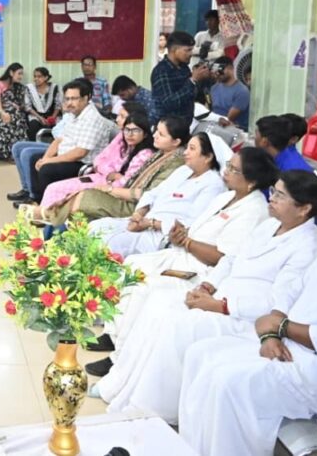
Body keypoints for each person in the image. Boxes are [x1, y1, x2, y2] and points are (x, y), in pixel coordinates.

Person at [179, 191, 317, 456]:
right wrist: (270, 334)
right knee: (200, 354)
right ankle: (194, 449)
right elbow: (292, 290)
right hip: (286, 345)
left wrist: (279, 327)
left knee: (228, 382)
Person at [89, 171, 317, 409]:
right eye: (273, 192)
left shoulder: (309, 247)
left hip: (245, 318)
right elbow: (231, 259)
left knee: (177, 324)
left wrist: (221, 306)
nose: (272, 198)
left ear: (304, 208)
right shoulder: (269, 226)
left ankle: (147, 405)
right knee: (157, 303)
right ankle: (120, 382)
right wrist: (206, 286)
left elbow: (279, 303)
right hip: (219, 295)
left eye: (280, 195)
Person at [86, 148, 278, 356]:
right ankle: (112, 332)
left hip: (203, 271)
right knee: (132, 264)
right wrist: (182, 233)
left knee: (144, 285)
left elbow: (224, 257)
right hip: (184, 254)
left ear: (251, 182)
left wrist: (187, 242)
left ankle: (122, 349)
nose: (226, 171)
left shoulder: (253, 210)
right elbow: (200, 230)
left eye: (233, 169)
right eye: (228, 165)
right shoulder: (228, 196)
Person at [86, 132, 229, 258]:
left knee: (112, 243)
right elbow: (152, 194)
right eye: (187, 147)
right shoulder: (183, 171)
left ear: (208, 157)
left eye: (192, 149)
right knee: (95, 227)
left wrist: (151, 223)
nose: (185, 152)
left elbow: (191, 223)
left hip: (163, 235)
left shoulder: (213, 184)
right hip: (144, 221)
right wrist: (138, 215)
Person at [41, 116, 190, 227]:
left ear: (176, 142)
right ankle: (51, 221)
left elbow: (147, 195)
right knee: (81, 195)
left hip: (137, 207)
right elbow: (101, 160)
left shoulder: (175, 164)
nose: (155, 135)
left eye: (161, 134)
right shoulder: (161, 154)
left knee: (85, 199)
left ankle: (49, 217)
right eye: (156, 131)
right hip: (124, 193)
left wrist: (110, 189)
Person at [29, 106, 154, 224]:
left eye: (135, 130)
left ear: (145, 134)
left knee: (67, 193)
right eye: (127, 130)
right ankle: (45, 218)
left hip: (112, 189)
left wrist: (112, 178)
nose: (129, 134)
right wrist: (111, 173)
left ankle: (48, 219)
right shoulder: (121, 138)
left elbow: (127, 182)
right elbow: (98, 161)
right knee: (53, 188)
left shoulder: (144, 155)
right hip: (100, 177)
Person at [25, 79, 117, 203]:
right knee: (34, 159)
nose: (69, 103)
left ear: (86, 97)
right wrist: (45, 159)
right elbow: (59, 140)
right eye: (67, 99)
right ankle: (38, 200)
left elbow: (80, 152)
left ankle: (48, 206)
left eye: (74, 99)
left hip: (82, 164)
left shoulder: (92, 119)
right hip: (67, 156)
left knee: (47, 170)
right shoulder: (75, 115)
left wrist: (48, 161)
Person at [152, 31, 209, 121]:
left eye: (191, 50)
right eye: (187, 50)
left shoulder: (184, 68)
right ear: (175, 50)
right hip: (169, 125)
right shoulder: (161, 71)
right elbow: (168, 103)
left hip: (186, 123)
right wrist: (193, 80)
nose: (191, 54)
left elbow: (193, 96)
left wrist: (202, 78)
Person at [0, 63, 28, 160]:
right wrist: (2, 113)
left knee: (18, 119)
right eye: (19, 73)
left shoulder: (19, 87)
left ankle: (15, 152)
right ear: (11, 73)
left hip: (14, 114)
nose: (21, 76)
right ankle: (5, 151)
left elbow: (22, 105)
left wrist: (16, 105)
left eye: (22, 74)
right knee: (8, 120)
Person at [209, 56, 250, 130]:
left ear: (230, 68)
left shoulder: (242, 91)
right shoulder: (214, 88)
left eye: (220, 70)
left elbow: (228, 119)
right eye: (216, 70)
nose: (217, 74)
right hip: (215, 125)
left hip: (235, 129)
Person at [23, 67, 60, 141]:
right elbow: (28, 107)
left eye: (39, 76)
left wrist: (52, 118)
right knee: (33, 125)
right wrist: (40, 118)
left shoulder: (54, 87)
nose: (36, 79)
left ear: (46, 77)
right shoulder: (29, 88)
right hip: (35, 115)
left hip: (51, 115)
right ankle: (33, 145)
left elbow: (58, 105)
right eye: (35, 76)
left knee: (56, 127)